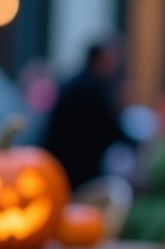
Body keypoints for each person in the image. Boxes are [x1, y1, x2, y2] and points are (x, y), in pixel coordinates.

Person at [40, 40, 132, 189]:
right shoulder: (93, 89)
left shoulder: (74, 83)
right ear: (99, 59)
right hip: (77, 165)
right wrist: (133, 143)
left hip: (62, 161)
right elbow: (108, 126)